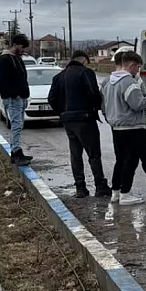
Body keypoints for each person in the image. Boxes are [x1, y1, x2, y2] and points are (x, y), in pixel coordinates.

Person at [101, 51, 146, 206]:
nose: (137, 71)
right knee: (131, 160)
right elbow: (137, 104)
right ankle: (126, 194)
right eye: (137, 67)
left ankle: (116, 191)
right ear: (131, 65)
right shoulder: (129, 82)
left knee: (120, 160)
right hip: (133, 126)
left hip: (116, 126)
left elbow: (103, 106)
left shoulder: (107, 81)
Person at [48, 50, 112, 199]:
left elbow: (51, 98)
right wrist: (94, 108)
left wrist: (62, 112)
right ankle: (100, 186)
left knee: (75, 154)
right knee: (93, 154)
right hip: (85, 118)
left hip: (68, 120)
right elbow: (94, 93)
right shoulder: (86, 73)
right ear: (84, 60)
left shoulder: (58, 77)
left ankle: (80, 188)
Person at [0, 34, 32, 166]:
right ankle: (15, 153)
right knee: (16, 125)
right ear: (15, 45)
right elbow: (2, 81)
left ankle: (17, 151)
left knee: (19, 125)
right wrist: (14, 94)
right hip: (13, 98)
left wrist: (24, 94)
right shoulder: (4, 60)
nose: (23, 50)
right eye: (22, 47)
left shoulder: (17, 59)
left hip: (20, 96)